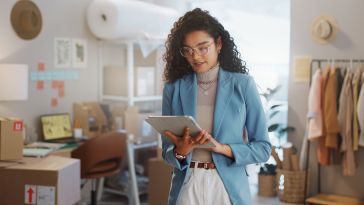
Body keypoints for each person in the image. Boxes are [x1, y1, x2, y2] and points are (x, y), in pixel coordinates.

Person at [161, 8, 272, 205]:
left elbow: (262, 148)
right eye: (188, 50)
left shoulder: (243, 85)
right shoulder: (174, 88)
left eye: (202, 47)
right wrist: (180, 151)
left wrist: (222, 148)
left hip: (227, 186)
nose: (195, 56)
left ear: (218, 44)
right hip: (188, 184)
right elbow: (167, 152)